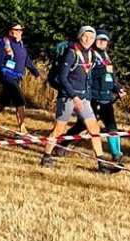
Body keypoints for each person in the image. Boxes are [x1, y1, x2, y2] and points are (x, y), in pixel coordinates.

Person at [40, 26, 120, 173]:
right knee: (59, 129)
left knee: (94, 128)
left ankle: (101, 163)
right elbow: (63, 78)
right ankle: (46, 155)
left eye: (91, 37)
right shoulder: (71, 53)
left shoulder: (91, 54)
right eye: (85, 36)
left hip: (83, 97)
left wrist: (114, 86)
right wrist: (74, 96)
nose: (88, 40)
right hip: (67, 97)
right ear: (80, 36)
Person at [63, 29, 125, 160]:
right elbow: (89, 75)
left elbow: (110, 78)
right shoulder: (91, 55)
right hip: (93, 97)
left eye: (105, 40)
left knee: (111, 125)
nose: (102, 42)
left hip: (106, 98)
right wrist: (102, 70)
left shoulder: (106, 56)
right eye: (100, 40)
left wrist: (117, 88)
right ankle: (62, 144)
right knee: (81, 126)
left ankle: (116, 154)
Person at [0, 21, 40, 133]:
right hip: (6, 75)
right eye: (16, 30)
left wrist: (35, 73)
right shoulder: (3, 43)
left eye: (21, 30)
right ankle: (22, 129)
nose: (19, 32)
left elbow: (26, 60)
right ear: (10, 31)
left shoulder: (21, 44)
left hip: (17, 76)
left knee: (4, 102)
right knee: (20, 100)